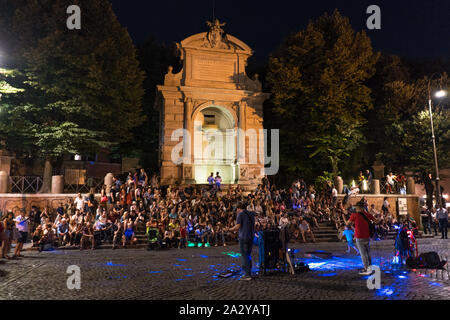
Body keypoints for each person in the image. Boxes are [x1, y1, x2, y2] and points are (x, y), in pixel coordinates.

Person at [344, 199, 376, 275]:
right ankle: (370, 267)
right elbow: (375, 220)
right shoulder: (366, 214)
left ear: (359, 207)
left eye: (356, 207)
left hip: (359, 236)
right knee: (368, 252)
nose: (355, 208)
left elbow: (347, 223)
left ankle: (366, 269)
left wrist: (344, 218)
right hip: (367, 236)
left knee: (363, 254)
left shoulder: (354, 215)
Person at [227, 202, 255, 281]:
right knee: (249, 255)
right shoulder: (251, 214)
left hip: (244, 237)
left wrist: (229, 229)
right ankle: (249, 272)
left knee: (244, 255)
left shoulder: (240, 214)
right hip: (251, 237)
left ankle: (247, 275)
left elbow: (237, 227)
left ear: (239, 208)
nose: (236, 211)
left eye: (236, 209)